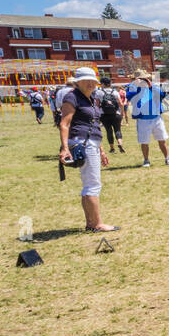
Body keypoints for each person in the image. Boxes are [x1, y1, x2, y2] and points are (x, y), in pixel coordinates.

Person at [58, 67, 119, 233]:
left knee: (89, 184)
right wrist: (65, 148)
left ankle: (91, 223)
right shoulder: (72, 97)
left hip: (92, 142)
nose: (91, 83)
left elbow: (94, 125)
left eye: (93, 81)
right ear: (78, 82)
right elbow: (64, 124)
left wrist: (102, 151)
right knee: (92, 185)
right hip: (82, 142)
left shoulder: (91, 98)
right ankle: (97, 224)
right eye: (86, 80)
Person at [128, 74, 169, 166]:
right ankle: (146, 160)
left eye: (146, 79)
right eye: (142, 79)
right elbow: (129, 96)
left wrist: (150, 86)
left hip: (156, 118)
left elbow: (161, 95)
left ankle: (167, 158)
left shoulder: (154, 87)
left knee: (162, 139)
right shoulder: (134, 88)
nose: (144, 81)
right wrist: (136, 85)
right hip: (142, 119)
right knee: (144, 141)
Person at [97, 75, 125, 153]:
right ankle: (120, 143)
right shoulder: (115, 92)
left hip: (104, 115)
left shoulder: (99, 92)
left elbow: (97, 105)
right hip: (116, 114)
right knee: (117, 130)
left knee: (109, 131)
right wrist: (122, 114)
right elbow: (121, 104)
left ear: (103, 84)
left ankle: (112, 148)